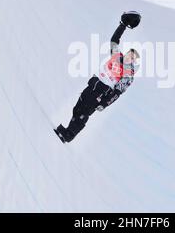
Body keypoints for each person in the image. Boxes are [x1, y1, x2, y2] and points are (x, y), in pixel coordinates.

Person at [55, 11, 142, 143]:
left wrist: (105, 103)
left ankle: (69, 135)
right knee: (78, 107)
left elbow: (118, 91)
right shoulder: (117, 55)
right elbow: (114, 40)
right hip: (95, 83)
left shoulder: (128, 74)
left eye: (133, 57)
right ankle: (67, 130)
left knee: (85, 112)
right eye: (130, 54)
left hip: (103, 91)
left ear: (134, 61)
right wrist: (122, 25)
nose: (130, 57)